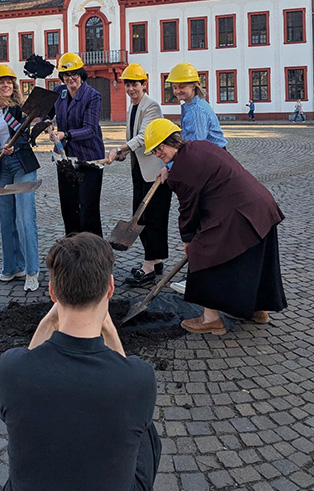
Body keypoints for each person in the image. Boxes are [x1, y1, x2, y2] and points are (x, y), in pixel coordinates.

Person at [0, 232, 161, 491]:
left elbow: (29, 359)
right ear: (110, 287)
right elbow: (124, 378)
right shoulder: (138, 378)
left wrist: (50, 319)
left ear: (52, 292)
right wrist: (110, 332)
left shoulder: (11, 369)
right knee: (145, 431)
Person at [143, 118, 287, 335]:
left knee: (201, 252)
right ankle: (258, 310)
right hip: (260, 205)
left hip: (239, 212)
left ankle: (211, 319)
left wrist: (188, 239)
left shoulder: (182, 170)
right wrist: (169, 169)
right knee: (254, 257)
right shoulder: (198, 146)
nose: (157, 154)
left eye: (159, 148)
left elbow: (188, 209)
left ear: (171, 141)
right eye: (154, 151)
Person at [106, 63, 171, 286]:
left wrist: (121, 149)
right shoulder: (133, 106)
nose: (131, 88)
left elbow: (144, 137)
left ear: (144, 84)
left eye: (135, 84)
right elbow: (137, 139)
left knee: (152, 218)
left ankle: (149, 266)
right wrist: (126, 155)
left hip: (155, 172)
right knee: (141, 215)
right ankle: (156, 259)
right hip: (140, 170)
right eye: (128, 84)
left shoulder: (151, 106)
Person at [166, 62, 227, 294]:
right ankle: (198, 274)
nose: (178, 90)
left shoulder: (198, 111)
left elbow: (197, 149)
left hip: (210, 169)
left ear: (194, 85)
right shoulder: (189, 105)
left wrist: (175, 169)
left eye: (182, 86)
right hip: (207, 165)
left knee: (201, 223)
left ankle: (198, 278)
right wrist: (170, 165)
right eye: (175, 86)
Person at [0, 65, 40, 292]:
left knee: (25, 220)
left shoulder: (22, 110)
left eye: (9, 82)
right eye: (1, 82)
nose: (6, 85)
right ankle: (12, 267)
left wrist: (14, 145)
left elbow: (26, 136)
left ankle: (32, 270)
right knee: (7, 220)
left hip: (23, 165)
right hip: (1, 168)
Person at [48, 52, 105, 236]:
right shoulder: (59, 92)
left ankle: (94, 253)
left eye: (75, 73)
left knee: (88, 209)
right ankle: (73, 250)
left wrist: (66, 134)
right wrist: (46, 122)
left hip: (89, 159)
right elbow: (43, 111)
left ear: (81, 74)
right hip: (65, 158)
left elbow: (90, 129)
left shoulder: (92, 96)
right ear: (62, 77)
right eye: (66, 75)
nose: (70, 78)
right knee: (69, 206)